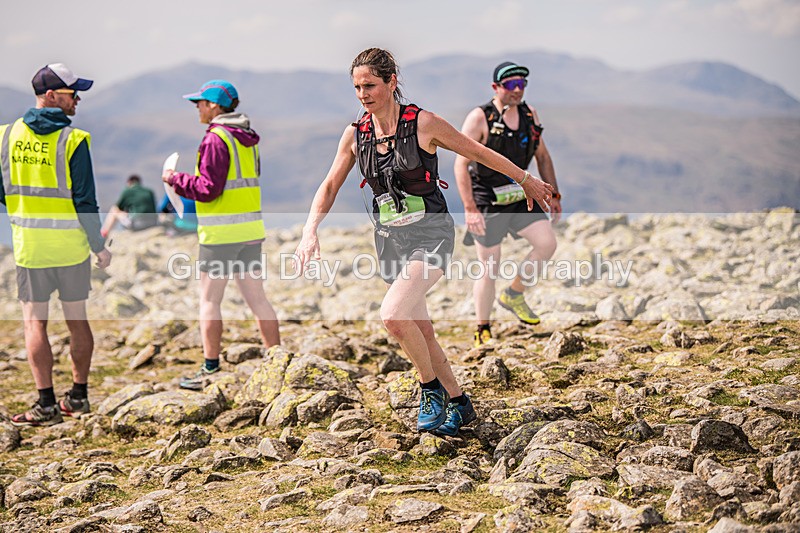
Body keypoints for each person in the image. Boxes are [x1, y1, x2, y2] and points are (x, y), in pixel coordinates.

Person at [294, 49, 553, 437]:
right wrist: (309, 230)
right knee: (421, 330)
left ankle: (429, 389)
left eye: (371, 85)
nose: (363, 94)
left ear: (391, 82)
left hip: (431, 235)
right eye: (357, 87)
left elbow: (477, 151)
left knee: (394, 315)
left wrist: (524, 178)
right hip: (389, 241)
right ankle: (460, 403)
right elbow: (330, 184)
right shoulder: (356, 134)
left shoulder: (424, 124)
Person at [0, 63, 112, 426]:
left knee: (35, 324)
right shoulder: (73, 140)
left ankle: (45, 405)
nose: (77, 99)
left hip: (30, 249)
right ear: (51, 96)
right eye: (72, 93)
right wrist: (99, 245)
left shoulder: (5, 137)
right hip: (71, 250)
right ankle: (78, 397)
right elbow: (86, 201)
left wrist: (23, 207)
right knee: (77, 322)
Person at [162, 79, 280, 391]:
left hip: (221, 236)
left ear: (214, 106)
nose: (197, 108)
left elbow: (207, 189)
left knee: (209, 301)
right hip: (251, 231)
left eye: (199, 103)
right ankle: (277, 361)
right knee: (258, 300)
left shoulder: (216, 139)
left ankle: (210, 367)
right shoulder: (247, 139)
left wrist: (176, 180)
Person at [454, 61, 562, 347]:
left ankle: (514, 294)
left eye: (522, 85)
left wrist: (555, 195)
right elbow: (460, 165)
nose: (517, 90)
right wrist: (470, 209)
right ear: (495, 88)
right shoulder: (480, 118)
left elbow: (543, 156)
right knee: (489, 267)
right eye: (511, 85)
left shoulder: (529, 114)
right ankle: (482, 327)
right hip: (487, 199)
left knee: (547, 244)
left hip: (520, 196)